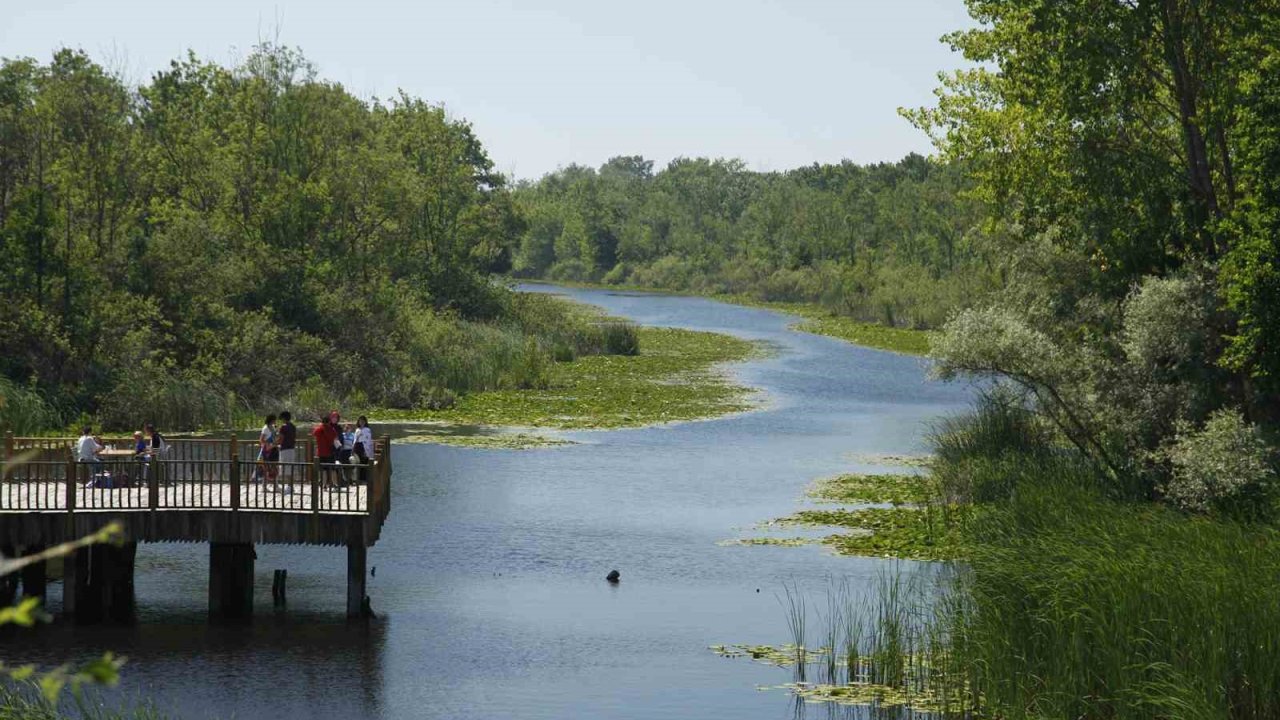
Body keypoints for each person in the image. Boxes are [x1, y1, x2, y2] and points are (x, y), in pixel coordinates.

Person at [312, 411, 340, 487]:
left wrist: (320, 426)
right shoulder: (331, 429)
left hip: (321, 452)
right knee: (333, 469)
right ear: (329, 422)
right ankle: (335, 484)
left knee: (324, 470)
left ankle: (324, 484)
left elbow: (314, 433)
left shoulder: (319, 429)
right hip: (330, 452)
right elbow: (336, 438)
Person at [277, 410, 297, 490]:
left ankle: (289, 486)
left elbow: (281, 438)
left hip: (285, 449)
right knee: (290, 467)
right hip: (292, 449)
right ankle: (291, 485)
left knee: (285, 468)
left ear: (283, 418)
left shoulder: (283, 427)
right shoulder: (293, 426)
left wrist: (275, 443)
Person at [257, 414, 279, 486]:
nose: (275, 421)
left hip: (274, 449)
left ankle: (275, 484)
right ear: (271, 420)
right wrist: (267, 445)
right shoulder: (265, 428)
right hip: (267, 450)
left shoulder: (273, 427)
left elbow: (275, 437)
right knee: (266, 467)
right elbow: (261, 439)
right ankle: (264, 485)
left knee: (275, 466)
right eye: (274, 420)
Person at [353, 416, 374, 485]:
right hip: (357, 446)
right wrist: (353, 448)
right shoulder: (357, 430)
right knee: (357, 463)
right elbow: (355, 439)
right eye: (360, 421)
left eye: (363, 421)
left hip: (364, 447)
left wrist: (367, 451)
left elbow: (368, 440)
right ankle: (357, 479)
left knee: (364, 463)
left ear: (365, 422)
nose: (361, 422)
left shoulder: (367, 430)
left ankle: (364, 480)